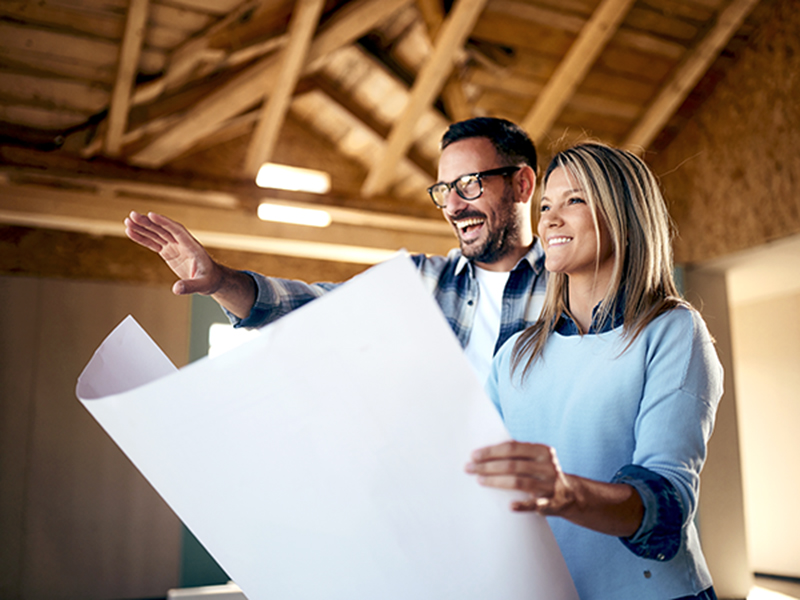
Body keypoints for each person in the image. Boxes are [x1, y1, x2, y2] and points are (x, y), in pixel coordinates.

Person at [465, 143, 722, 599]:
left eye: (574, 200)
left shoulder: (672, 331)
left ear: (623, 215)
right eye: (545, 205)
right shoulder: (514, 356)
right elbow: (476, 481)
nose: (549, 220)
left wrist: (566, 494)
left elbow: (665, 507)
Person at [125, 117, 547, 382]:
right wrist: (220, 280)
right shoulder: (419, 280)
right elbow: (312, 306)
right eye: (444, 190)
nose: (454, 206)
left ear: (522, 184)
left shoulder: (575, 284)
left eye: (470, 184)